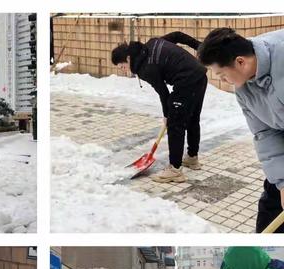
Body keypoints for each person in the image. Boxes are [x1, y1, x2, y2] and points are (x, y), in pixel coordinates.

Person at [198, 28, 284, 233]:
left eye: (222, 74)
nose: (222, 80)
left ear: (240, 62)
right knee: (272, 206)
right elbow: (264, 133)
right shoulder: (243, 90)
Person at [111, 32, 208, 183]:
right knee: (192, 118)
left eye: (122, 66)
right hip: (200, 75)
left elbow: (163, 92)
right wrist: (199, 46)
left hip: (186, 80)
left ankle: (175, 170)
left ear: (129, 58)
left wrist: (167, 115)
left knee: (176, 124)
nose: (123, 70)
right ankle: (192, 158)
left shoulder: (145, 68)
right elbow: (177, 35)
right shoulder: (152, 43)